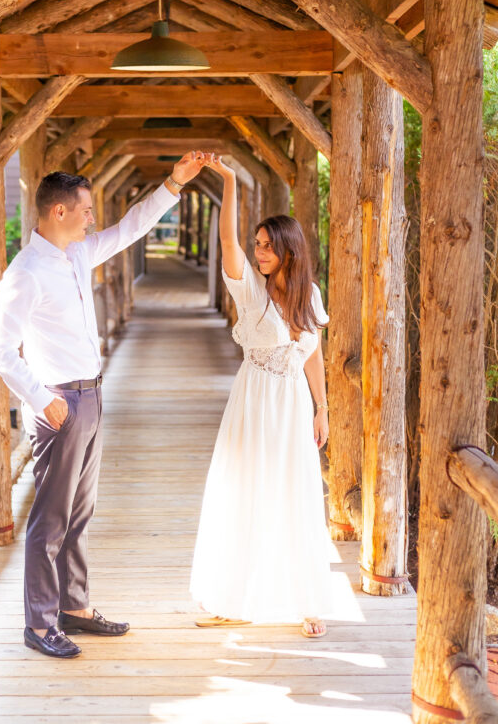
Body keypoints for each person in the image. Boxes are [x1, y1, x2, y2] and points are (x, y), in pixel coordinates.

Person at [0, 152, 206, 659]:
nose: (92, 218)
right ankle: (39, 624)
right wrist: (41, 399)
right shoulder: (26, 273)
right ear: (59, 212)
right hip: (60, 403)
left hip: (93, 394)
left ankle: (74, 607)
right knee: (50, 520)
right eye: (85, 210)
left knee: (80, 513)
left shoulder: (78, 254)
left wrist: (173, 182)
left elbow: (130, 228)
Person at [190, 154, 332, 638]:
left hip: (293, 406)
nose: (259, 252)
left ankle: (308, 601)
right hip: (254, 402)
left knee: (296, 493)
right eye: (258, 244)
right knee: (245, 490)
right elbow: (227, 239)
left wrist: (322, 407)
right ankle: (232, 597)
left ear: (290, 249)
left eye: (268, 246)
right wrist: (228, 179)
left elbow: (313, 353)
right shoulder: (251, 291)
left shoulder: (309, 295)